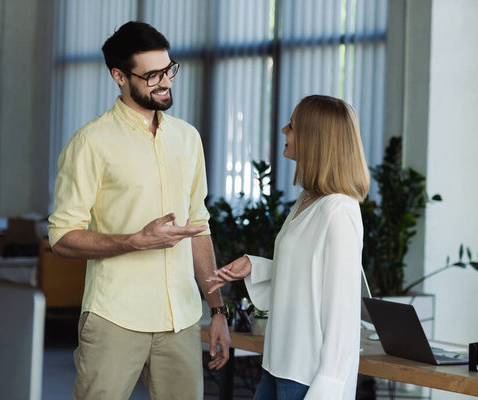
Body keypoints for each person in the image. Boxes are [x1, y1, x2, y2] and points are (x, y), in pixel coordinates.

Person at [48, 21, 230, 400]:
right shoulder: (90, 142)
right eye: (151, 76)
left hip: (181, 320)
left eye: (169, 70)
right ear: (119, 76)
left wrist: (217, 310)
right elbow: (62, 238)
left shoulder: (187, 138)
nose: (165, 82)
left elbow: (198, 225)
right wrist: (135, 241)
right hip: (115, 318)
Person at [207, 95, 370, 400]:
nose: (284, 130)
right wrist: (254, 265)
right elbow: (307, 273)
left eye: (292, 126)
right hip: (278, 364)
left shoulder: (339, 211)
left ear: (314, 138)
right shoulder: (307, 200)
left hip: (307, 378)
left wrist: (327, 388)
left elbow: (342, 315)